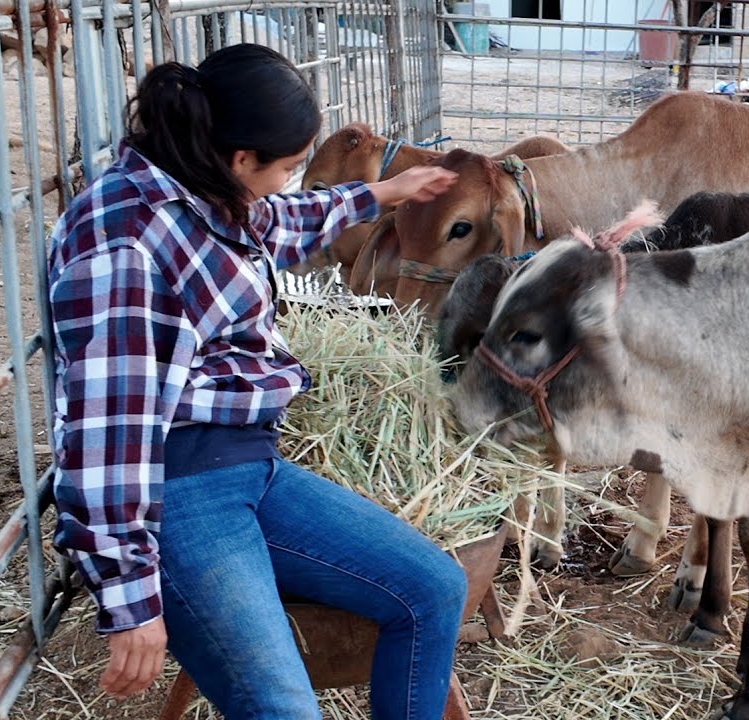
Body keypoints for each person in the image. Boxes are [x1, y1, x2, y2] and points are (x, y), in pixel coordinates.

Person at [47, 43, 466, 719]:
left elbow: (272, 226)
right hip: (178, 495)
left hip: (250, 467)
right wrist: (128, 597)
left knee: (434, 589)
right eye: (288, 168)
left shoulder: (200, 188)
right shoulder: (123, 247)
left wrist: (383, 194)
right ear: (241, 159)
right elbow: (106, 433)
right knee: (284, 709)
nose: (288, 183)